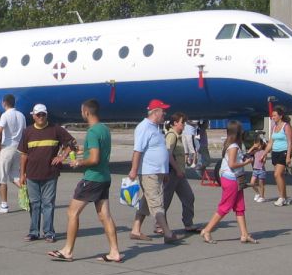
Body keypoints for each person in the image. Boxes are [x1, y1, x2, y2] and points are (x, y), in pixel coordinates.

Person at [47, 99, 122, 263]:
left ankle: (67, 250)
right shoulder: (104, 129)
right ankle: (114, 252)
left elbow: (94, 159)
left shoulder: (93, 132)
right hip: (104, 177)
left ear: (86, 112)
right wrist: (80, 149)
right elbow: (95, 151)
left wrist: (78, 162)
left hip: (92, 178)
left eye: (82, 111)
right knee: (105, 216)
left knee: (72, 212)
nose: (81, 113)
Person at [18, 103, 77, 243]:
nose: (41, 117)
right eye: (38, 114)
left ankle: (49, 232)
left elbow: (72, 143)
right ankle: (34, 232)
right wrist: (22, 174)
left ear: (46, 115)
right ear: (33, 116)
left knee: (48, 203)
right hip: (32, 174)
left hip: (50, 174)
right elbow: (24, 155)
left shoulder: (55, 129)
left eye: (43, 114)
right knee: (34, 204)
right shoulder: (27, 132)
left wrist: (62, 156)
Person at [127, 99, 183, 244]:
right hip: (148, 172)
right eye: (163, 111)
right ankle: (167, 233)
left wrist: (164, 172)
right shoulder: (144, 127)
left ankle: (135, 230)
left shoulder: (155, 128)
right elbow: (137, 150)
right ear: (155, 112)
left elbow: (159, 151)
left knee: (147, 202)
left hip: (157, 172)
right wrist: (133, 170)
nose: (165, 113)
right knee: (157, 203)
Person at [200, 120, 258, 244]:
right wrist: (246, 163)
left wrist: (250, 152)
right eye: (241, 130)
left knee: (240, 207)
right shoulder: (234, 147)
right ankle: (207, 230)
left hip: (235, 178)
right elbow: (232, 164)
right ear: (238, 132)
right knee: (225, 207)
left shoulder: (231, 144)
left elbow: (235, 159)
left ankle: (244, 234)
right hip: (231, 179)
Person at [0, 94, 26, 213]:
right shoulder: (21, 115)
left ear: (4, 103)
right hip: (18, 148)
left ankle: (4, 205)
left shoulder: (5, 115)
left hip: (7, 147)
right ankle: (31, 197)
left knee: (2, 177)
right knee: (15, 176)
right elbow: (25, 132)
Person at [263, 105, 292, 206]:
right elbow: (271, 142)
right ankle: (284, 197)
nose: (273, 117)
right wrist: (264, 154)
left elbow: (290, 142)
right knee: (279, 176)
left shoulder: (286, 126)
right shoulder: (274, 127)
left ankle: (281, 197)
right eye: (272, 116)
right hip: (275, 152)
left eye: (275, 115)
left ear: (280, 116)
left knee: (277, 174)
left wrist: (288, 156)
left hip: (283, 151)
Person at [248, 133, 269, 203]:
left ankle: (262, 197)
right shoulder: (255, 151)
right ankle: (258, 193)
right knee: (252, 183)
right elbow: (247, 154)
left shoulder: (264, 152)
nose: (258, 146)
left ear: (262, 144)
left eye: (259, 145)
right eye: (257, 145)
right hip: (255, 170)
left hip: (261, 170)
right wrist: (253, 147)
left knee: (261, 184)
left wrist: (263, 159)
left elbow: (264, 161)